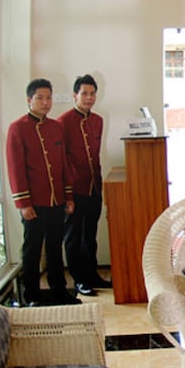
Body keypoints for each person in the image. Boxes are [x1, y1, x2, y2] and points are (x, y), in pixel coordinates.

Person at [6, 78, 79, 306]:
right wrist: (23, 204)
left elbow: (62, 164)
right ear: (29, 99)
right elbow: (15, 169)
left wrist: (68, 196)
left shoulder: (56, 127)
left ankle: (59, 290)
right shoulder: (17, 128)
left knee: (56, 247)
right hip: (34, 202)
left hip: (57, 200)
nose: (46, 102)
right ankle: (32, 296)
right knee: (32, 250)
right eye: (40, 98)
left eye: (49, 98)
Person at [58, 74, 110, 297]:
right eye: (84, 93)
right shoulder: (63, 122)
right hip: (74, 189)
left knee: (90, 235)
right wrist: (67, 194)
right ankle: (79, 279)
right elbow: (61, 161)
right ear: (75, 95)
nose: (89, 98)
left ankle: (92, 274)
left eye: (92, 93)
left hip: (93, 187)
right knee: (73, 238)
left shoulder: (98, 120)